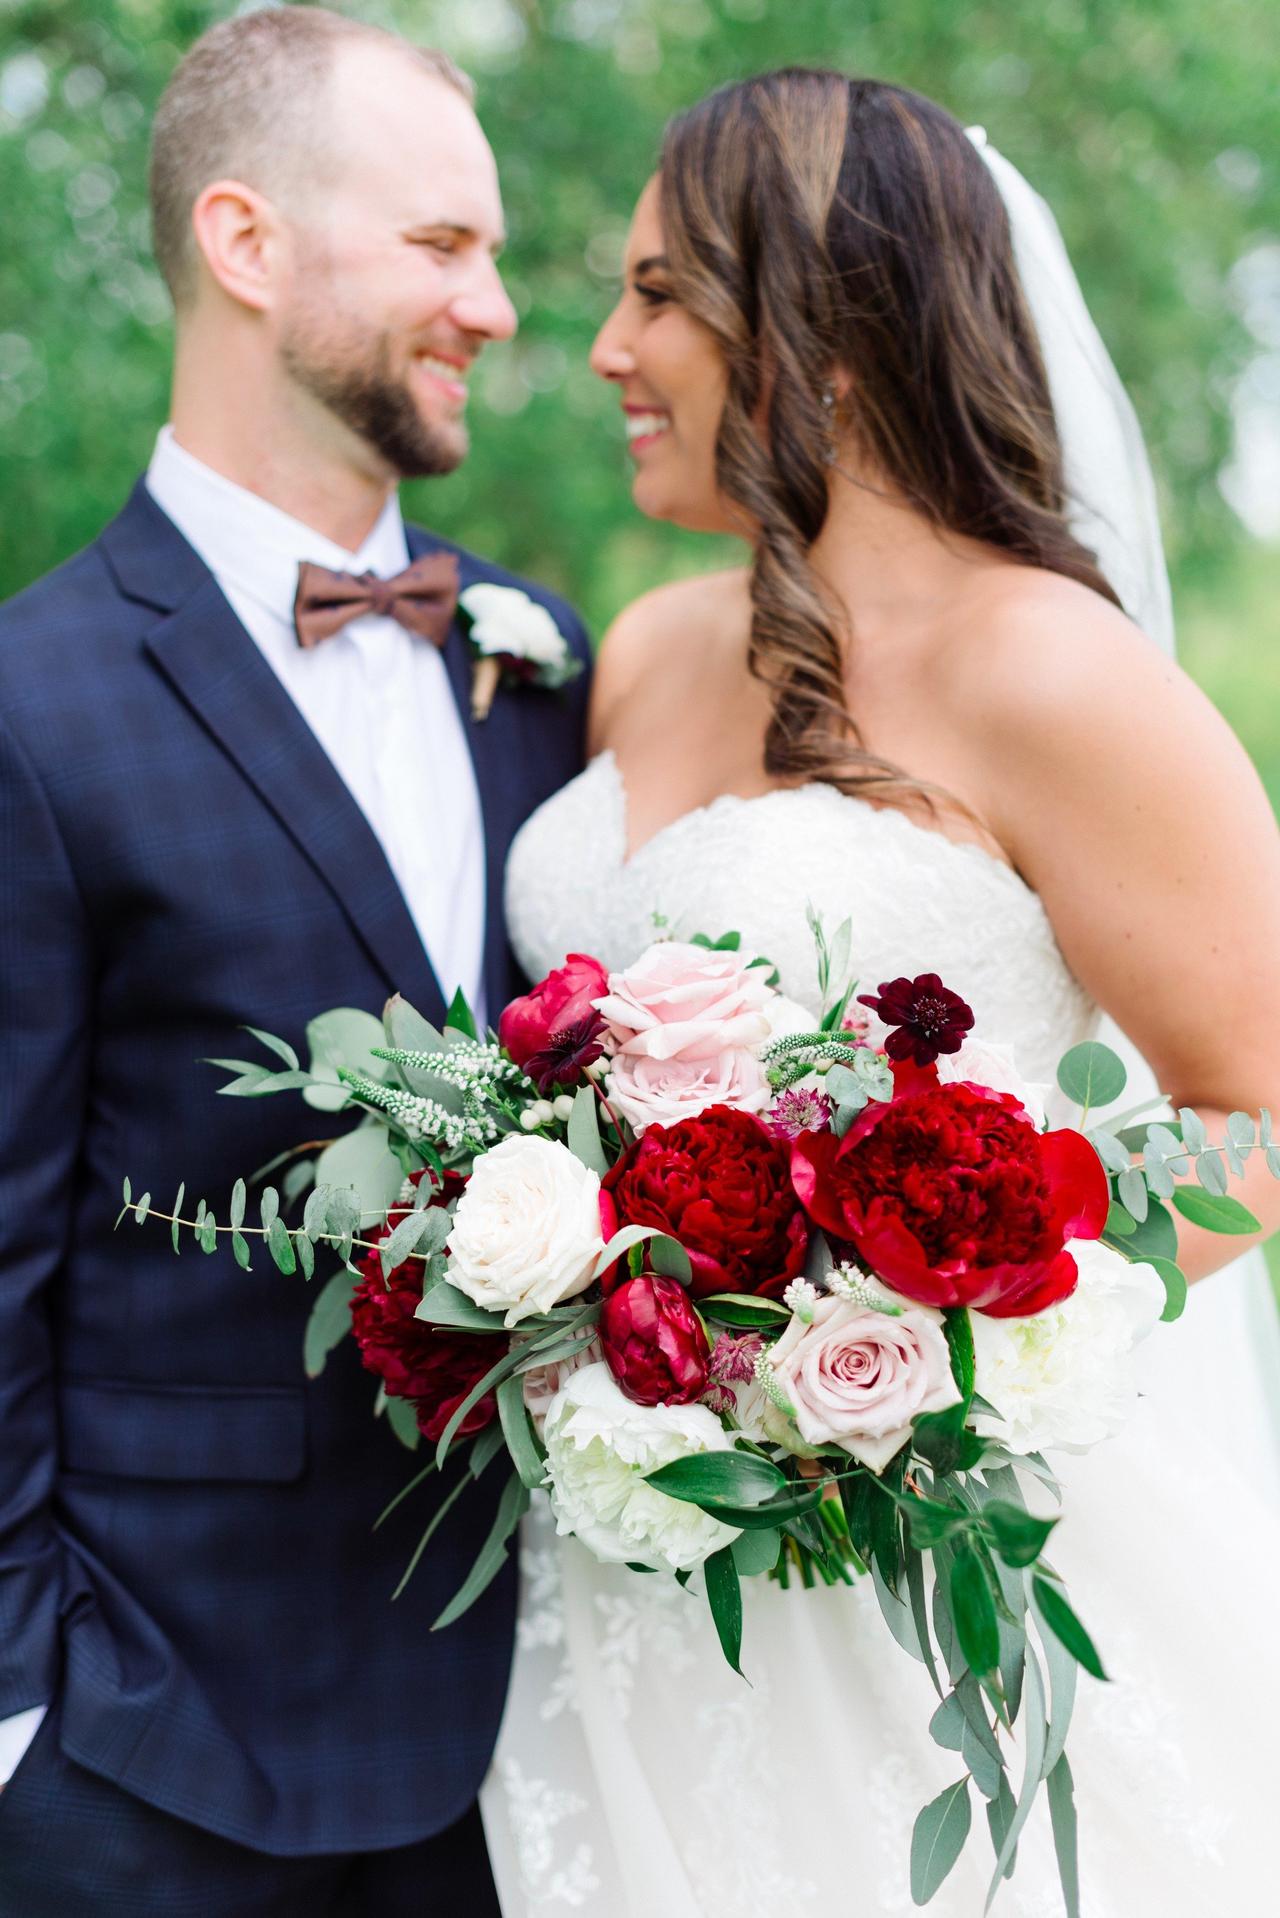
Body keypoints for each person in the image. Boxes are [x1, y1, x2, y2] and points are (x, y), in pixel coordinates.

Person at [488, 69, 1280, 1914]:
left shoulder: (1049, 675)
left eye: (663, 294)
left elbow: (1258, 1109)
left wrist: (931, 1341)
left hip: (913, 1551)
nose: (609, 346)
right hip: (624, 1560)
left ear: (826, 332)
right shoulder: (655, 647)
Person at [0, 8, 589, 1912]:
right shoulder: (31, 702)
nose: (496, 305)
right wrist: (22, 1731)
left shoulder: (538, 662)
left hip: (536, 1760)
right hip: (142, 1764)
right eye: (442, 246)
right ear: (246, 245)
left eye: (490, 252)